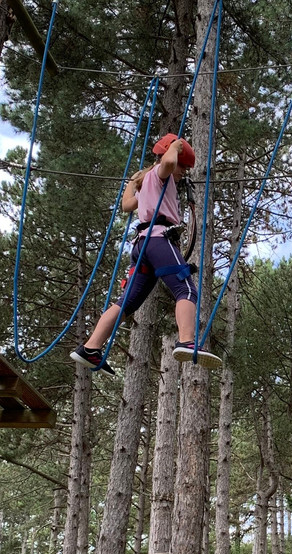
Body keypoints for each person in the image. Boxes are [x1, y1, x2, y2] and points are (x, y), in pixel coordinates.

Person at [71, 133, 222, 374]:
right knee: (187, 289)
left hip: (142, 246)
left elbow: (127, 204)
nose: (183, 171)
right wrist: (176, 145)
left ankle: (90, 347)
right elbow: (169, 164)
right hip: (158, 240)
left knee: (127, 302)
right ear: (167, 156)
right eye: (183, 166)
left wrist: (133, 182)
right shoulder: (161, 175)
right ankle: (186, 341)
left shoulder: (151, 184)